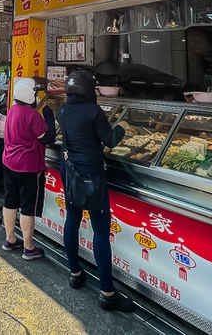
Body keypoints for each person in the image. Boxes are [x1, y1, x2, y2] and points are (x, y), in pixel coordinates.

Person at [58, 70, 134, 312]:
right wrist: (122, 125)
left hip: (70, 171)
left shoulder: (62, 110)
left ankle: (75, 273)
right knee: (100, 230)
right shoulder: (93, 111)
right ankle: (108, 293)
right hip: (91, 175)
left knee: (73, 219)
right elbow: (110, 140)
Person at [1, 77, 56, 260]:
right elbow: (47, 138)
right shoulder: (32, 115)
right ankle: (28, 247)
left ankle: (10, 239)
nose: (38, 96)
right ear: (30, 95)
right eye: (36, 93)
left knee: (10, 201)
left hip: (9, 163)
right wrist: (50, 116)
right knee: (27, 207)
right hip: (27, 167)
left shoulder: (12, 110)